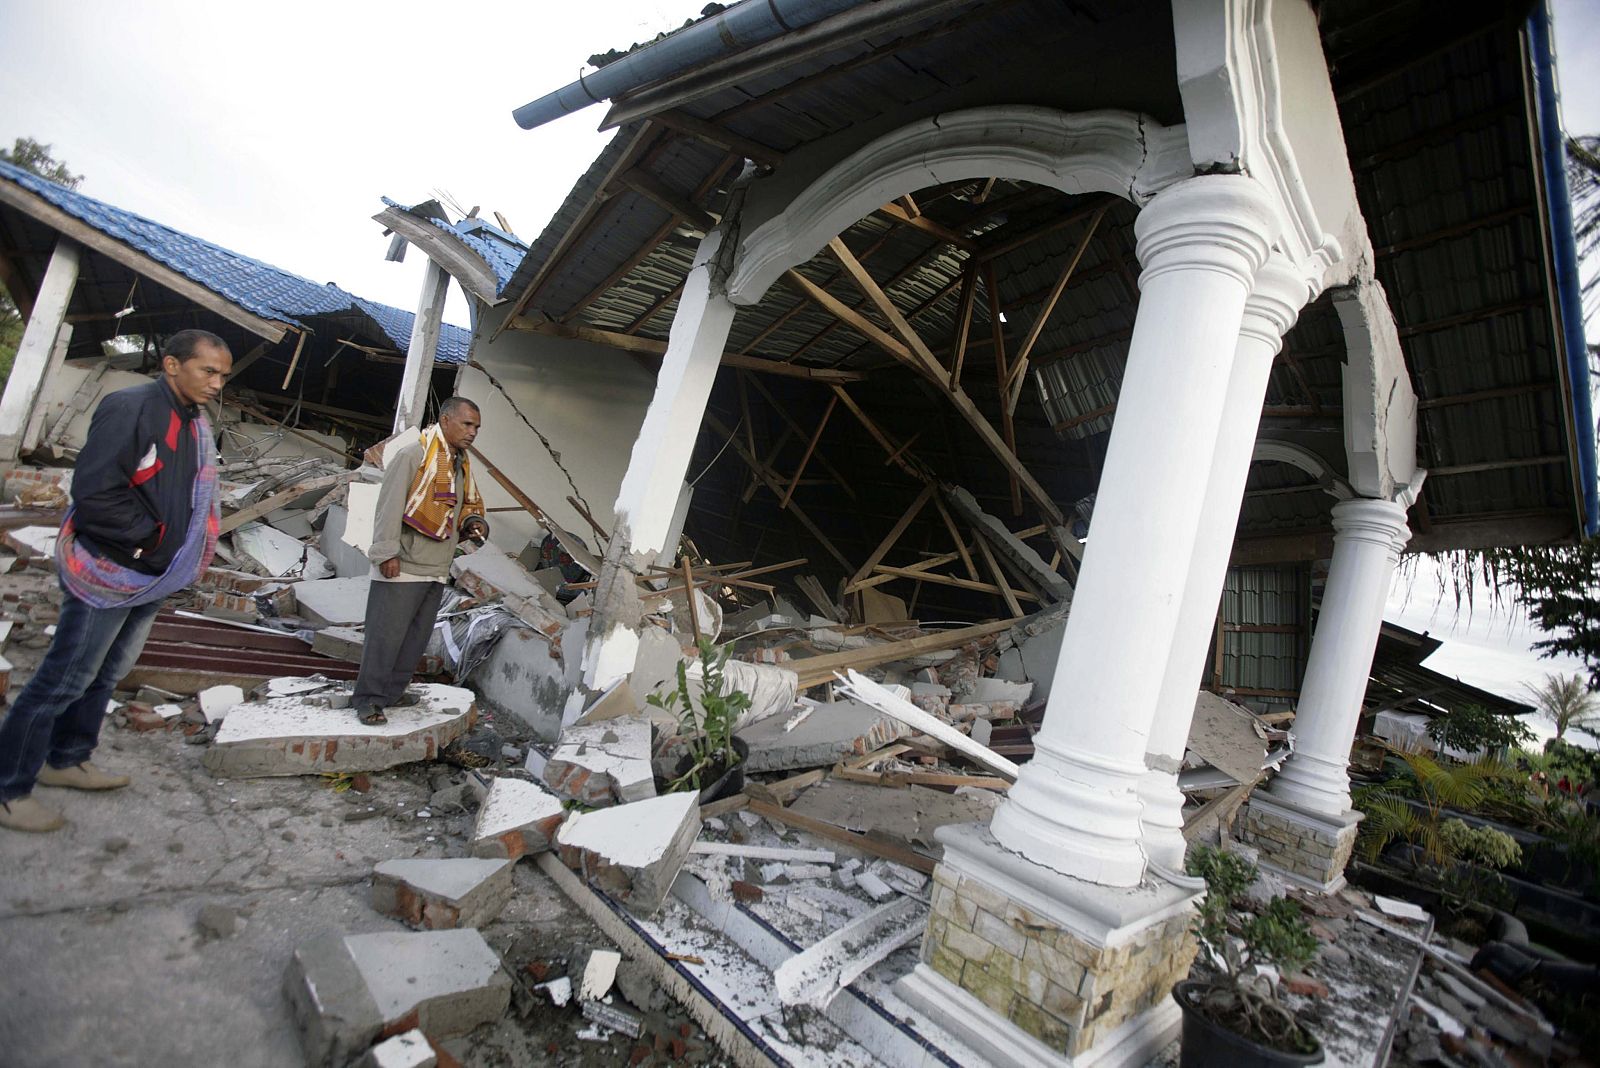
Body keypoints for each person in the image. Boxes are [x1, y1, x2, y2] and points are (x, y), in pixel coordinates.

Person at [0, 329, 230, 833]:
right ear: (172, 365)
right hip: (111, 568)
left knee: (106, 673)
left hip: (153, 575)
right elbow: (95, 491)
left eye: (222, 375)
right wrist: (147, 540)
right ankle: (9, 788)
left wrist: (162, 552)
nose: (217, 383)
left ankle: (67, 758)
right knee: (63, 679)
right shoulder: (132, 408)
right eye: (207, 371)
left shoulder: (191, 419)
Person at [353, 398, 489, 726]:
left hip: (437, 566)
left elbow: (460, 508)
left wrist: (472, 521)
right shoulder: (414, 455)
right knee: (385, 636)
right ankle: (369, 700)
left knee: (414, 639)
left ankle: (393, 692)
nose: (472, 433)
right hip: (404, 563)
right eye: (466, 424)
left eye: (477, 427)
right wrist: (387, 553)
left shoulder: (461, 464)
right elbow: (388, 505)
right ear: (445, 420)